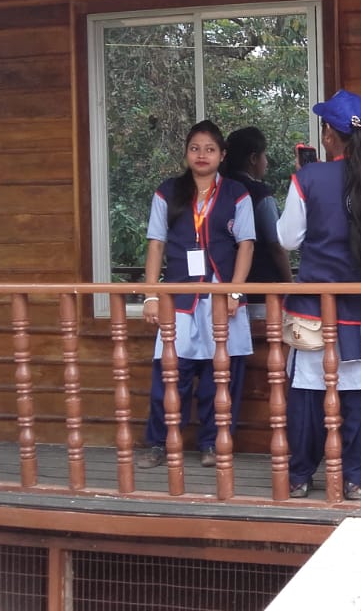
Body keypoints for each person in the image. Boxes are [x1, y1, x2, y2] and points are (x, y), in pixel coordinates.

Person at [277, 89, 361, 501]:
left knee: (307, 394)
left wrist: (303, 176)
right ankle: (354, 477)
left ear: (328, 135)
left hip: (314, 310)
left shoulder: (308, 178)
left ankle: (300, 475)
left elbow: (288, 239)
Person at [137, 120, 255, 470]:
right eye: (195, 148)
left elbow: (246, 245)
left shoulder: (237, 193)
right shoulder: (168, 192)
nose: (202, 155)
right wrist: (151, 295)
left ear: (222, 155)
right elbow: (156, 245)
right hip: (180, 297)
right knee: (170, 374)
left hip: (222, 296)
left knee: (221, 377)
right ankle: (158, 443)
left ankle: (212, 444)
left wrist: (236, 291)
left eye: (210, 149)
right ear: (186, 153)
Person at [222, 126, 294, 306]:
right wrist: (290, 286)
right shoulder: (260, 194)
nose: (266, 162)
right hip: (263, 288)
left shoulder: (219, 190)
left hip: (226, 285)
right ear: (253, 158)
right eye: (264, 156)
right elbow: (276, 246)